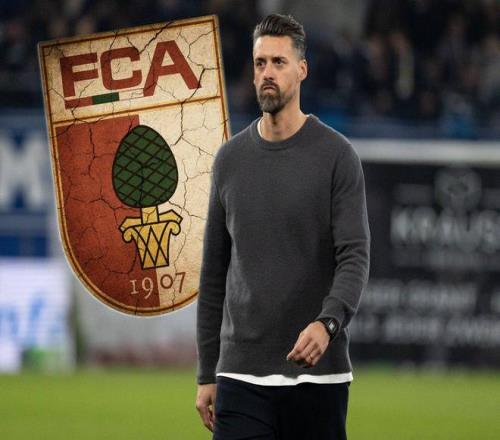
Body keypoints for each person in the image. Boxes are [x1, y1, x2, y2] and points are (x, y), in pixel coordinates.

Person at [195, 13, 370, 440]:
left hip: (318, 377)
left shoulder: (337, 156)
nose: (267, 73)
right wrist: (206, 372)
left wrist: (328, 324)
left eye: (278, 62)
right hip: (240, 376)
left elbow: (354, 256)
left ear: (302, 69)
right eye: (260, 63)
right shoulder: (229, 160)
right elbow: (214, 274)